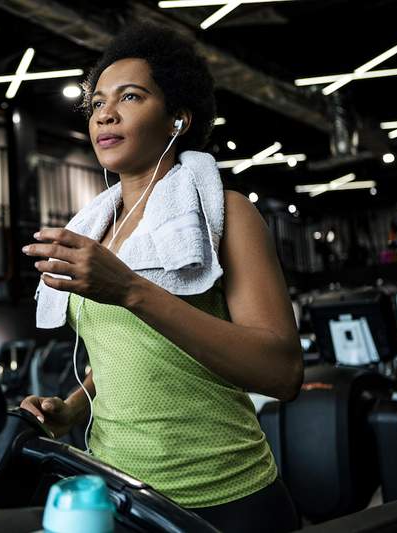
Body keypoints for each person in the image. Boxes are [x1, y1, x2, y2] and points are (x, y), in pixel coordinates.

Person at [20, 23, 303, 533]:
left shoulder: (227, 215)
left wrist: (130, 290)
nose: (105, 113)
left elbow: (282, 373)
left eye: (130, 97)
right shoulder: (97, 228)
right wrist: (73, 406)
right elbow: (131, 356)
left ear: (178, 118)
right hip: (121, 497)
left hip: (223, 499)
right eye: (98, 102)